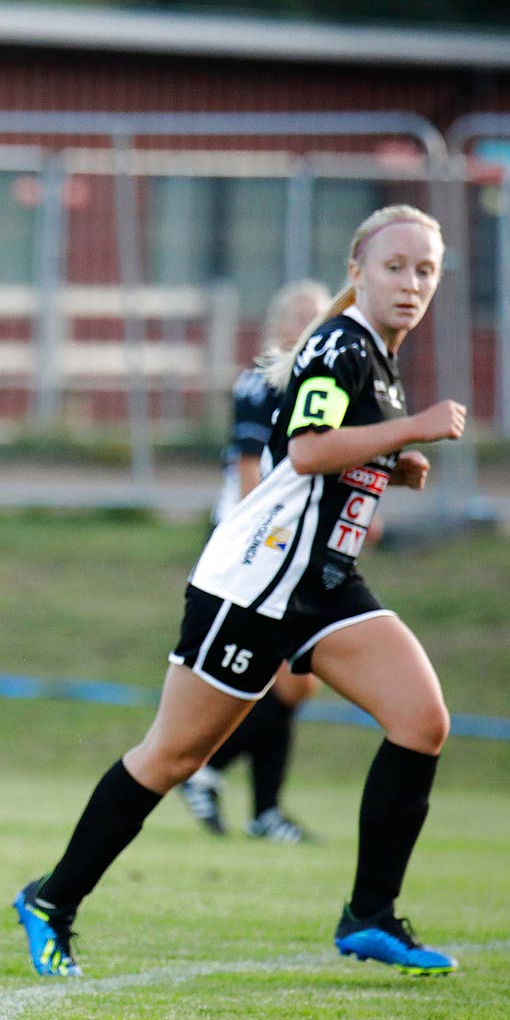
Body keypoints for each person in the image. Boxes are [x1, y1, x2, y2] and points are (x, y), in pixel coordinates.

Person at [14, 204, 468, 978]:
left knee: (422, 721)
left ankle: (369, 916)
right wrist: (410, 431)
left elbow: (328, 454)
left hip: (323, 585)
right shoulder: (339, 343)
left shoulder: (379, 359)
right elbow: (310, 449)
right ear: (357, 270)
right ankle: (51, 900)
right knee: (172, 756)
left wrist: (392, 460)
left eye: (426, 270)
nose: (412, 283)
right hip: (256, 584)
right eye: (395, 266)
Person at [179, 280, 331, 845]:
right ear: (278, 325)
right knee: (288, 682)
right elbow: (249, 477)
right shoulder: (262, 382)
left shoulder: (322, 387)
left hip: (293, 548)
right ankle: (215, 776)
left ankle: (245, 797)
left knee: (290, 684)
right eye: (300, 316)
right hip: (255, 547)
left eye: (320, 318)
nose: (311, 327)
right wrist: (259, 552)